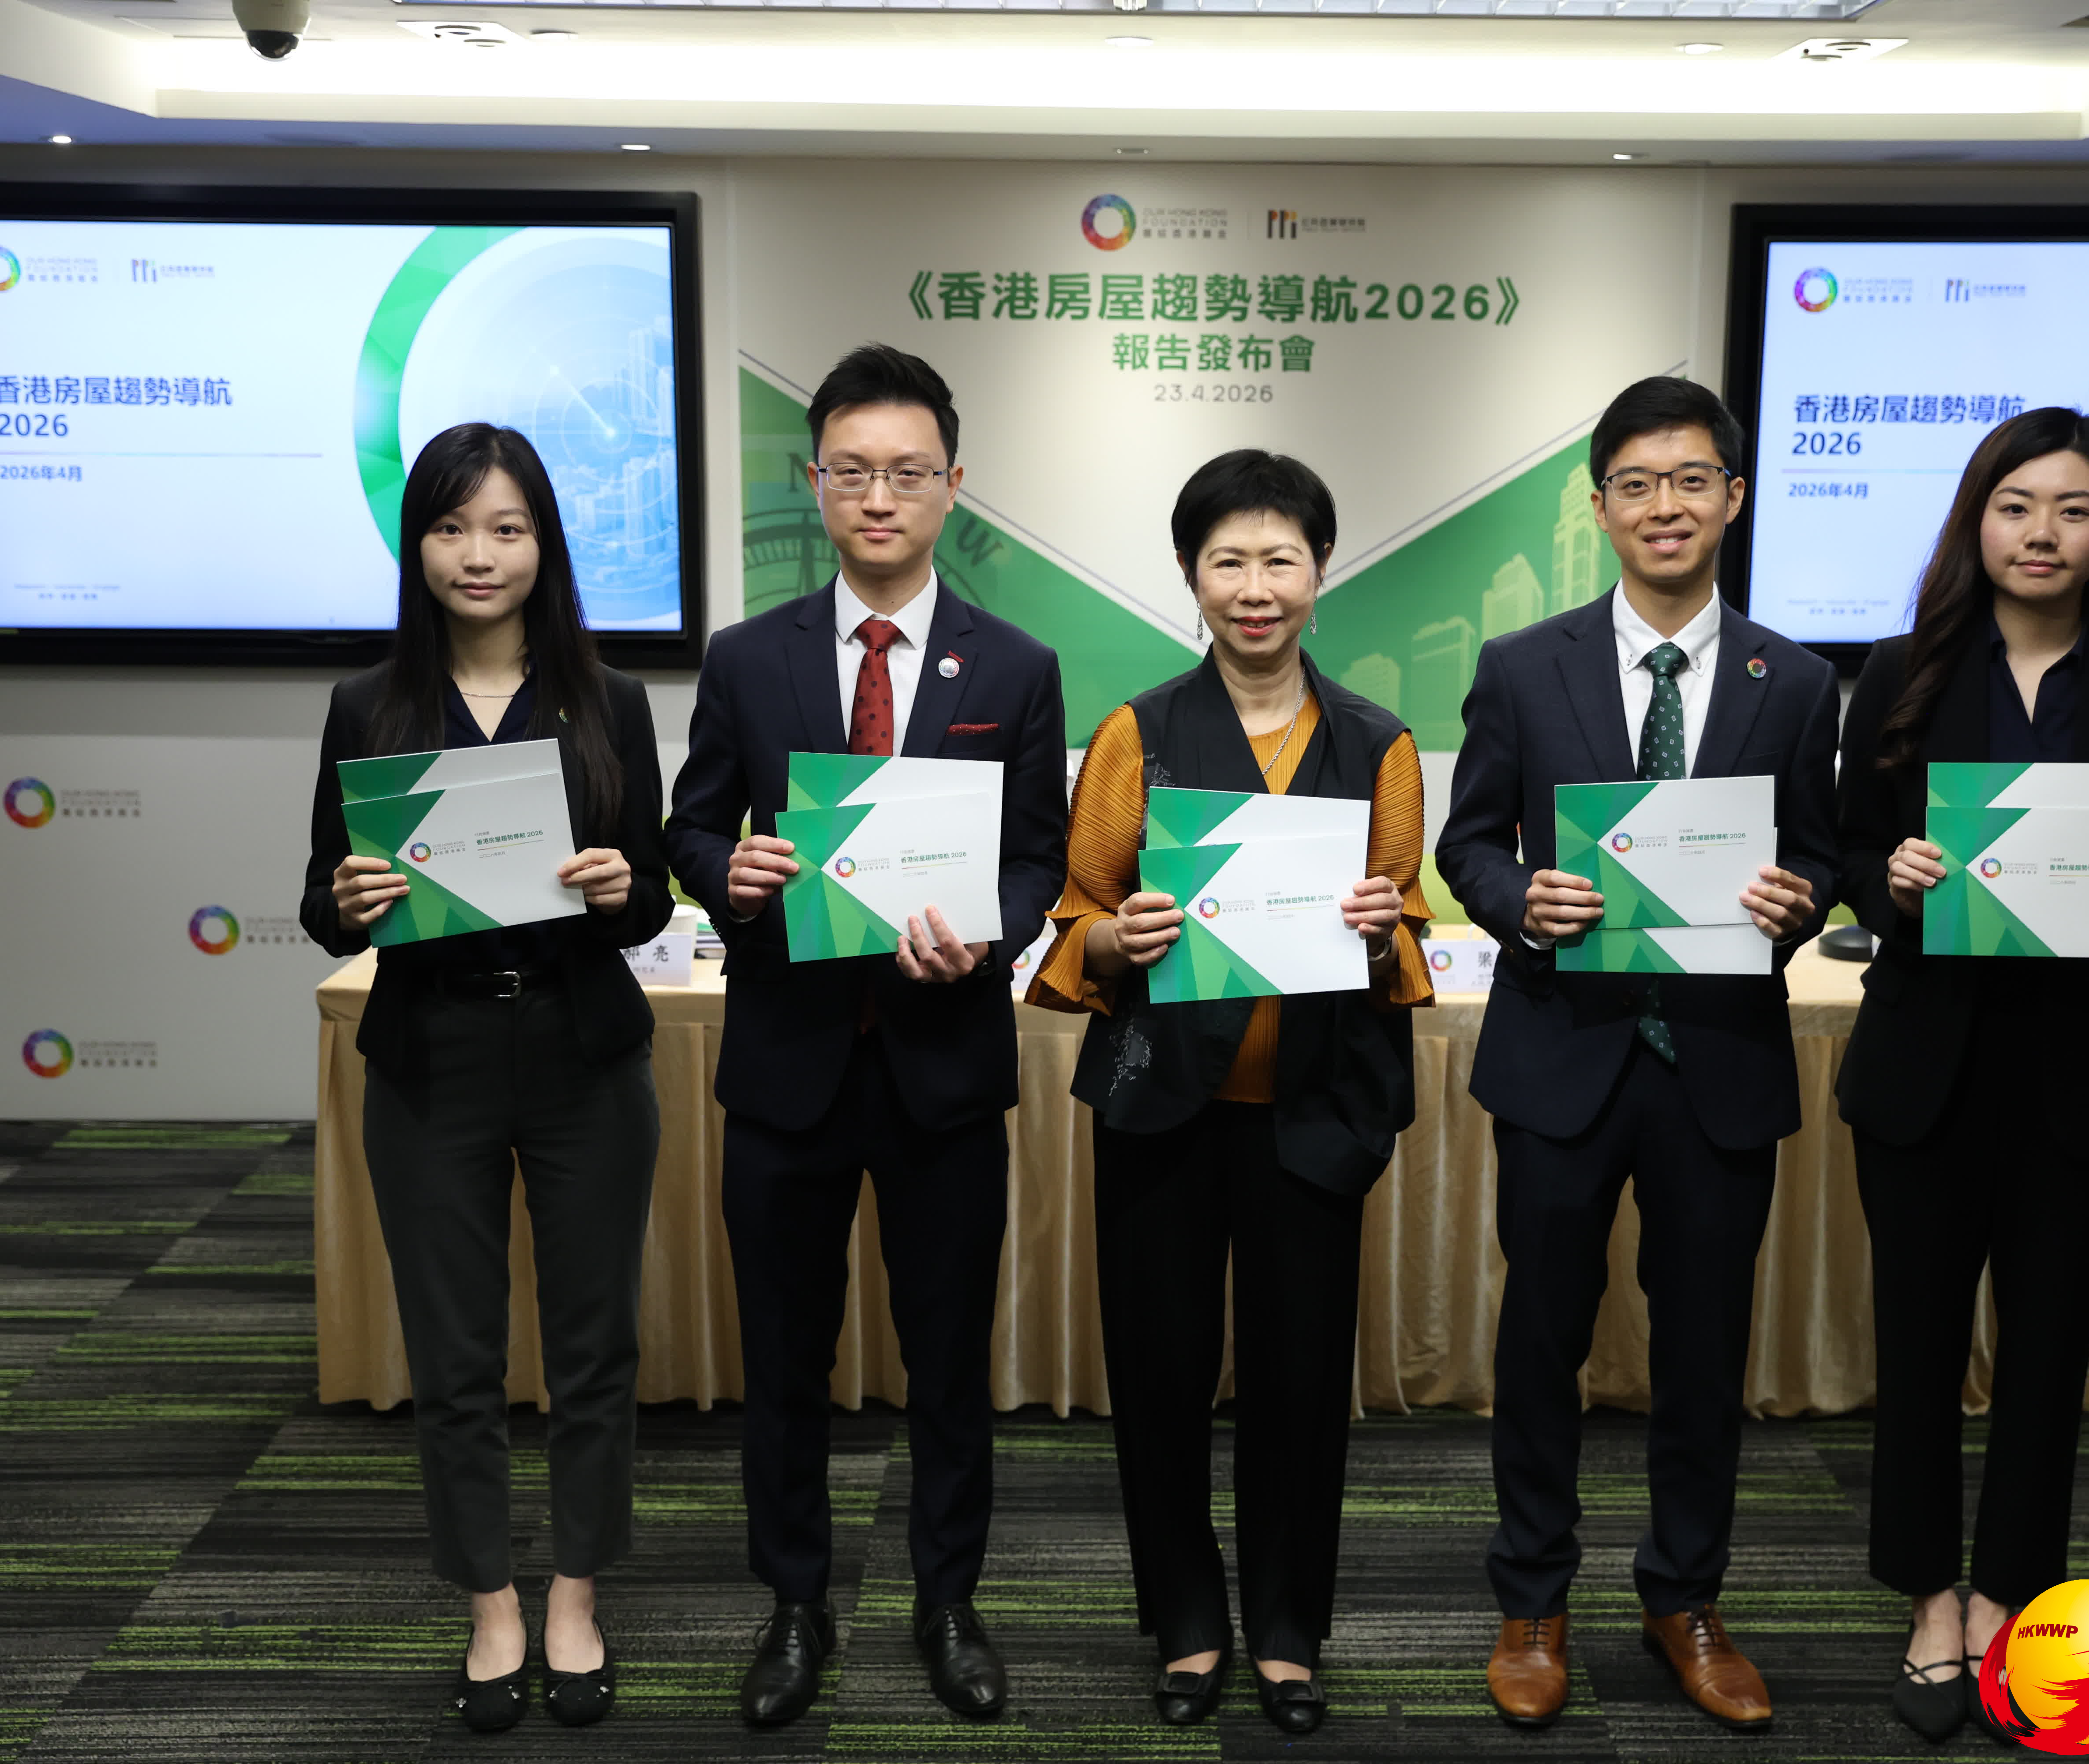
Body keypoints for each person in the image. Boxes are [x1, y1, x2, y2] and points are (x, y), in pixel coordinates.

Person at [663, 344, 1067, 1728]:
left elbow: (1037, 856)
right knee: (785, 1361)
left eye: (907, 472)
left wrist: (992, 934)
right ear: (816, 481)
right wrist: (728, 873)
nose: (879, 496)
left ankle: (949, 1603)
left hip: (943, 1062)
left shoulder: (1016, 666)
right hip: (789, 1065)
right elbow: (691, 826)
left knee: (947, 1363)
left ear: (954, 485)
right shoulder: (747, 659)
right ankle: (795, 1606)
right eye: (852, 471)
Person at [1438, 376, 1839, 1732]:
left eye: (1691, 480)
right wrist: (1520, 900)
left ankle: (1686, 1598)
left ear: (1734, 497)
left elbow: (1821, 847)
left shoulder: (1800, 680)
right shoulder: (1522, 665)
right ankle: (1532, 1599)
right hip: (1563, 1057)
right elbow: (1469, 843)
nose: (1664, 505)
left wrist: (1799, 897)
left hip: (1718, 1062)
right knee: (1539, 1343)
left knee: (1705, 1353)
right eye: (1636, 483)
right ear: (1601, 505)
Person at [1833, 407, 2089, 1743]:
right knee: (1919, 1344)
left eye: (2073, 508)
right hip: (1928, 1065)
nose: (2041, 533)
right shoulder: (1904, 670)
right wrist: (1888, 882)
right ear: (1977, 520)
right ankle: (1928, 1595)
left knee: (2050, 1351)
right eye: (2016, 506)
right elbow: (1852, 850)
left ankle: (2010, 1596)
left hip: (2086, 1068)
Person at [1029, 449, 1431, 1736]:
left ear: (1321, 571)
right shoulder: (1137, 734)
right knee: (1159, 1373)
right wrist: (1119, 938)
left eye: (1281, 560)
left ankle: (1290, 1630)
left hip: (1313, 1108)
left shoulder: (1379, 742)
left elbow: (1404, 936)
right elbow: (1078, 921)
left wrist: (1381, 928)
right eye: (1229, 562)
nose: (1256, 588)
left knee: (1302, 1382)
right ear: (1191, 576)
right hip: (1165, 1109)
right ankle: (1189, 1621)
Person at [300, 423, 671, 1734]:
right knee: (455, 1353)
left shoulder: (610, 699)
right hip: (434, 1056)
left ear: (544, 546)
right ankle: (491, 1605)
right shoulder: (370, 704)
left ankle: (575, 1592)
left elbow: (650, 900)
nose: (479, 554)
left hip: (583, 1051)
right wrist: (349, 899)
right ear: (417, 547)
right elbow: (323, 908)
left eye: (507, 528)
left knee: (594, 1346)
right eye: (453, 528)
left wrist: (624, 887)